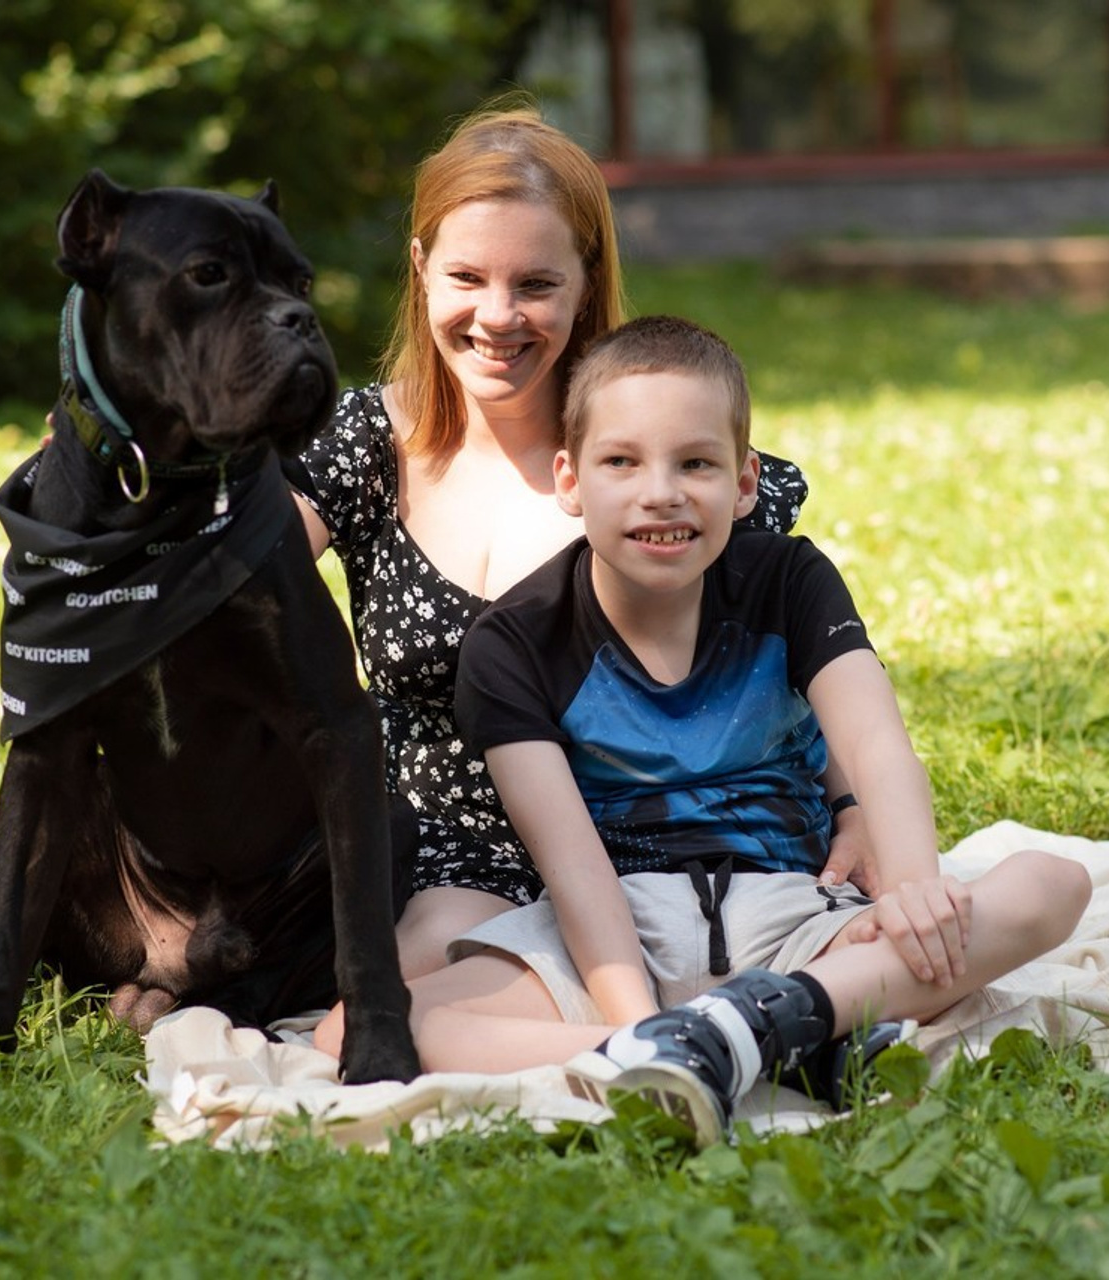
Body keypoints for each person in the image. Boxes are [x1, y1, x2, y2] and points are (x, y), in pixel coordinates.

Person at [0, 101, 840, 1002]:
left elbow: (776, 665)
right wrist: (106, 471)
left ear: (587, 281)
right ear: (419, 272)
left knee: (402, 972)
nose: (497, 315)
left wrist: (851, 810)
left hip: (593, 859)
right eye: (467, 277)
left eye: (535, 282)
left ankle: (205, 990)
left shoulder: (662, 469)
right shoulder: (360, 445)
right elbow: (199, 582)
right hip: (389, 848)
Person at [347, 314, 1091, 1143]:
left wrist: (915, 888)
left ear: (744, 484)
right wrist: (635, 1021)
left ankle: (763, 1023)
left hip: (799, 914)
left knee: (1049, 886)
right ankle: (756, 1044)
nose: (659, 491)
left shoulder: (789, 578)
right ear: (570, 479)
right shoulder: (515, 643)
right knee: (354, 1029)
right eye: (621, 462)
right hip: (622, 923)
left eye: (695, 463)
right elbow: (573, 864)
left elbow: (875, 741)